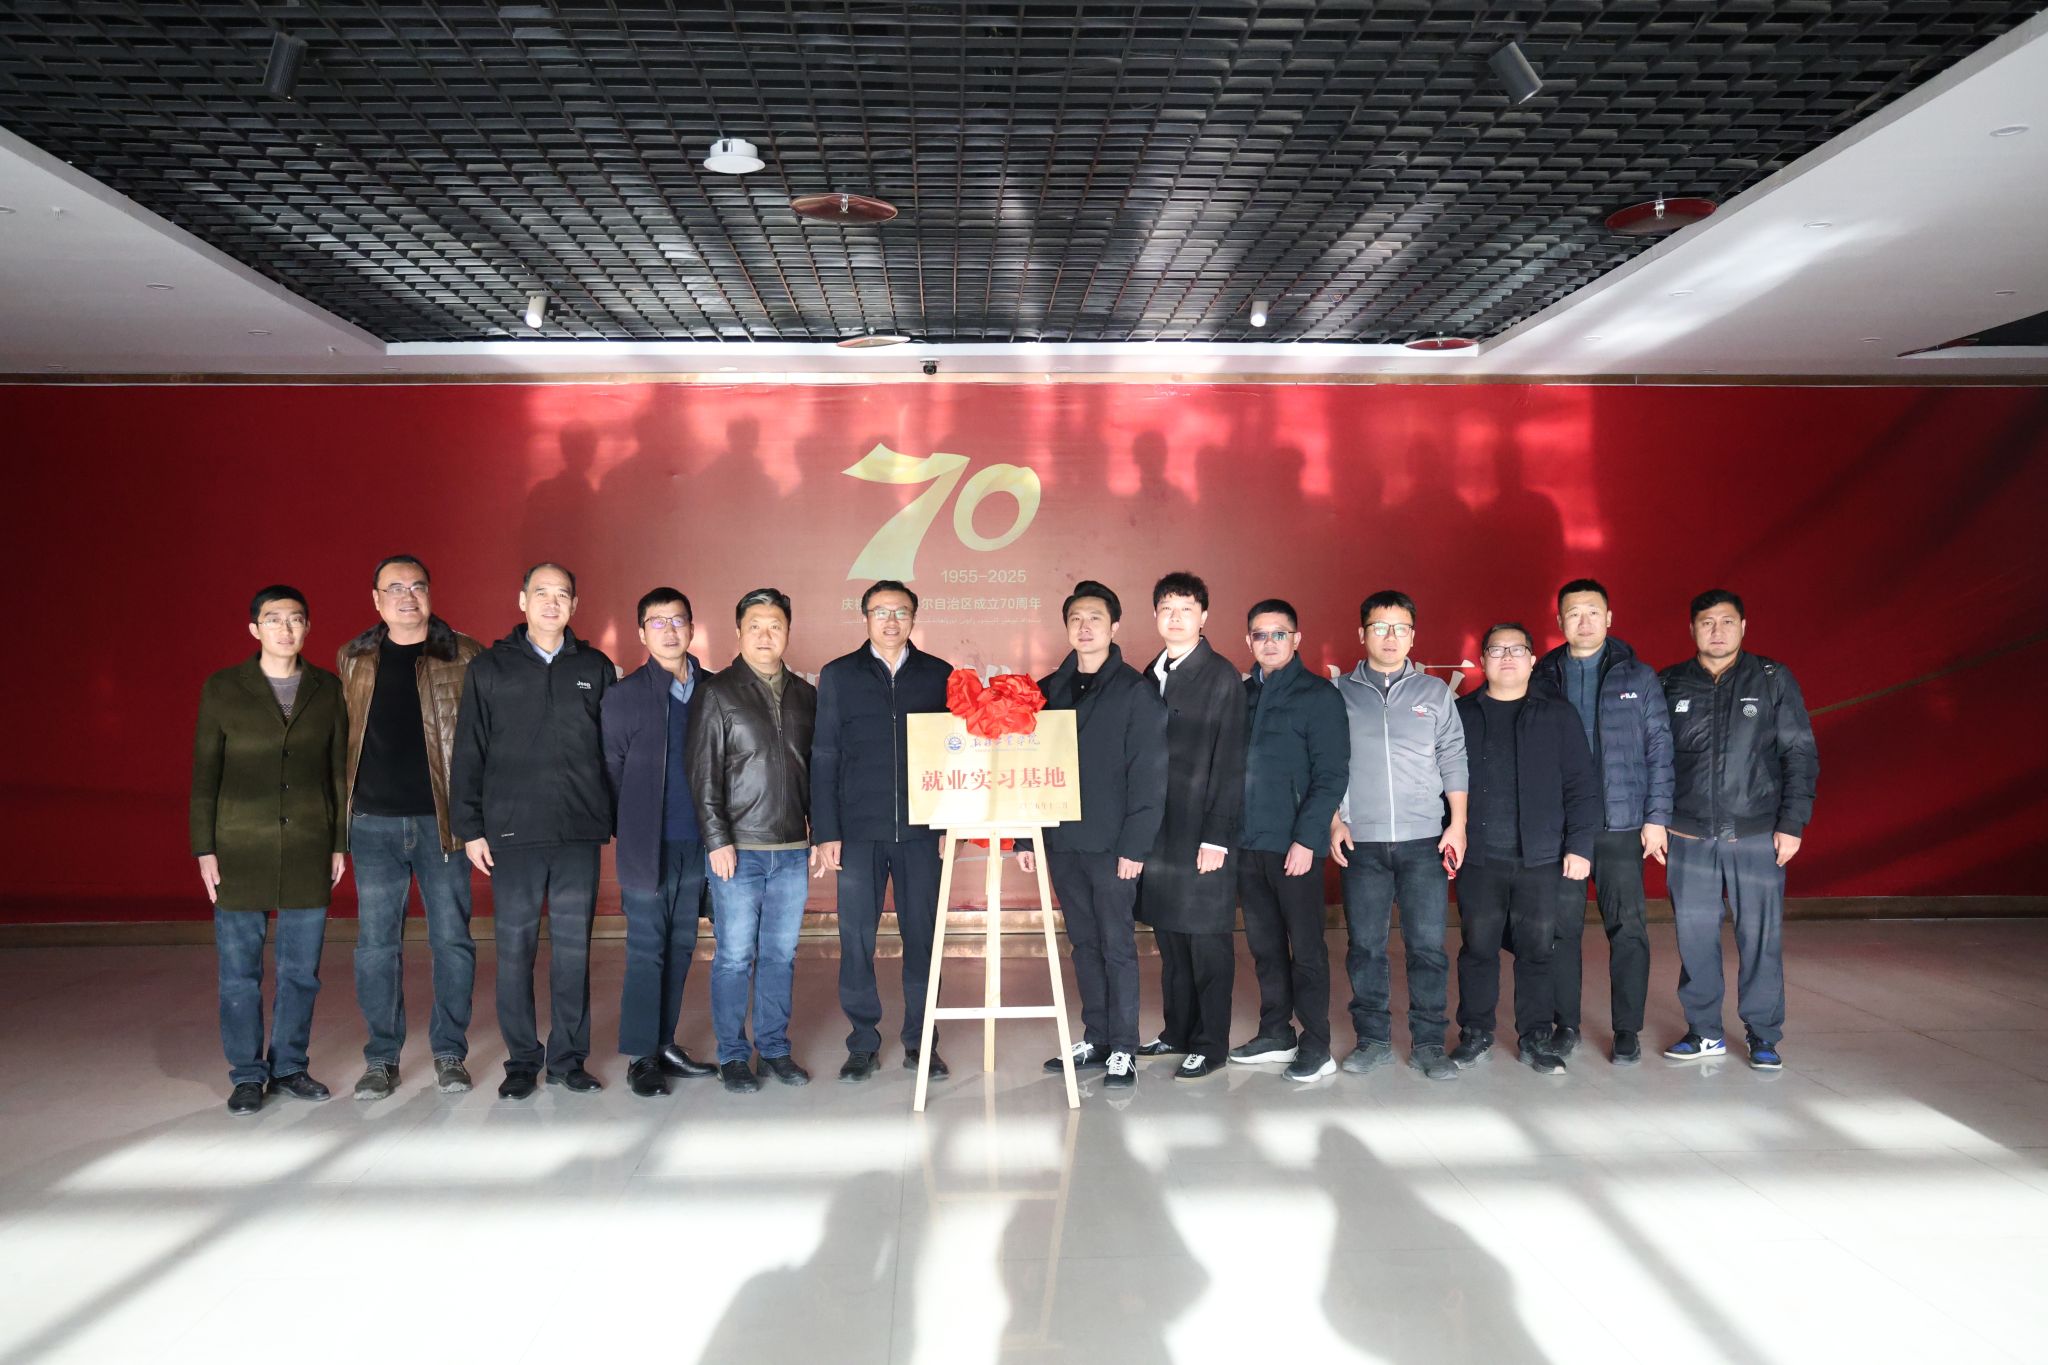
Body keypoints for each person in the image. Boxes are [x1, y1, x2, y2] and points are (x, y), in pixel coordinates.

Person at [450, 562, 615, 1100]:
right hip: (512, 835)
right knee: (515, 952)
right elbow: (468, 750)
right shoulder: (489, 668)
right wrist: (470, 828)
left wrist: (612, 817)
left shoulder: (595, 666)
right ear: (522, 601)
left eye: (562, 594)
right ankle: (521, 1060)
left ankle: (568, 1059)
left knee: (573, 952)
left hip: (577, 834)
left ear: (574, 605)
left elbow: (612, 752)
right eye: (541, 593)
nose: (551, 602)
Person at [190, 585, 348, 1115]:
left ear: (308, 628)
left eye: (296, 619)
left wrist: (338, 842)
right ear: (254, 629)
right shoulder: (223, 688)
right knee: (240, 973)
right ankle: (246, 1075)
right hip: (239, 847)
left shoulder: (327, 688)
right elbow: (205, 774)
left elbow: (336, 772)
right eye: (274, 619)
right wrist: (205, 848)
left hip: (307, 844)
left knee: (302, 971)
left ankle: (289, 1067)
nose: (286, 628)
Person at [335, 554, 483, 1101]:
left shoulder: (465, 654)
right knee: (376, 946)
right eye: (394, 588)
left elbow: (484, 741)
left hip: (442, 824)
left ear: (430, 593)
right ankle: (381, 1058)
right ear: (376, 599)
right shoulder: (353, 657)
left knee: (452, 941)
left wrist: (477, 819)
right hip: (372, 824)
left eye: (417, 586)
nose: (407, 596)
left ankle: (449, 1052)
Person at [1659, 589, 1819, 1071]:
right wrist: (1656, 820)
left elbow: (1799, 753)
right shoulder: (1669, 683)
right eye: (1707, 622)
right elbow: (1653, 759)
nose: (1717, 631)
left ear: (1743, 627)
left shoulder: (1771, 678)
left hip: (1755, 833)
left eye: (1727, 621)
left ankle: (1763, 1034)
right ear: (1692, 629)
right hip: (1688, 835)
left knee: (1760, 938)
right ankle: (1705, 1031)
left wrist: (1792, 823)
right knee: (1695, 938)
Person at [1018, 581, 1168, 1092]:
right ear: (1066, 627)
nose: (1085, 628)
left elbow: (1149, 774)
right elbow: (1028, 769)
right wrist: (1026, 838)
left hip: (1112, 844)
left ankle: (1124, 1045)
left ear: (1115, 626)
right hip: (1062, 840)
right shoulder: (1046, 690)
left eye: (1095, 619)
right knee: (1083, 942)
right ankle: (1097, 1037)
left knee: (1117, 943)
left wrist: (1135, 845)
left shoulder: (1134, 691)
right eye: (1076, 619)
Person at [809, 580, 956, 1084]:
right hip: (857, 833)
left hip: (923, 833)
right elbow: (824, 755)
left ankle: (922, 1041)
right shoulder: (838, 675)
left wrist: (949, 824)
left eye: (900, 612)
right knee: (856, 939)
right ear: (865, 617)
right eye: (881, 611)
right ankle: (862, 1042)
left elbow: (955, 754)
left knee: (923, 939)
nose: (891, 621)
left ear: (914, 618)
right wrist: (826, 831)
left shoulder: (939, 675)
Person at [1530, 578, 1673, 1065]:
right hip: (1563, 828)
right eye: (1574, 613)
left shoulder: (1639, 676)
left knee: (1627, 928)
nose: (1584, 621)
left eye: (1593, 611)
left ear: (1609, 617)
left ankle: (1627, 1030)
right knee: (1560, 931)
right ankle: (1565, 1025)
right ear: (1559, 621)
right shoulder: (1543, 676)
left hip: (1621, 825)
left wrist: (1656, 818)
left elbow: (1660, 749)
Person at [1451, 623, 1601, 1075]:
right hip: (1479, 856)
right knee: (1478, 948)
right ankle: (1475, 1034)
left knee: (1537, 950)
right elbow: (1440, 781)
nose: (1507, 658)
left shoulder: (1557, 715)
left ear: (1533, 660)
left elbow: (1582, 785)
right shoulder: (1461, 713)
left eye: (1517, 650)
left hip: (1540, 856)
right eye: (1497, 650)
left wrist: (1579, 845)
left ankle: (1535, 1038)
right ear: (1483, 660)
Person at [1329, 590, 1466, 1082]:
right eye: (1380, 627)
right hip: (1360, 842)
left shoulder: (1435, 693)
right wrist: (1334, 821)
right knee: (1365, 946)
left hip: (1424, 841)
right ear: (1361, 633)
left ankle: (1429, 1043)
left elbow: (1453, 757)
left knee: (1427, 946)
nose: (1390, 637)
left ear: (1413, 635)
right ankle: (1372, 1040)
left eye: (1400, 628)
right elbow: (1326, 763)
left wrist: (1457, 825)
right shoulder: (1338, 693)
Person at [688, 587, 819, 1093]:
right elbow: (703, 774)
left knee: (780, 955)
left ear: (788, 632)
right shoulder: (718, 693)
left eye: (775, 626)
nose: (766, 635)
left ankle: (775, 1049)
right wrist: (716, 839)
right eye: (756, 626)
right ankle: (733, 1054)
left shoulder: (806, 695)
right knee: (734, 956)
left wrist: (819, 835)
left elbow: (816, 773)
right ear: (738, 632)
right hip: (737, 851)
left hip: (791, 851)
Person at [602, 587, 718, 1098]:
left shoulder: (714, 691)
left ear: (692, 628)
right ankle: (641, 1056)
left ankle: (665, 1043)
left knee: (682, 945)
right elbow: (610, 772)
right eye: (658, 622)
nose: (669, 631)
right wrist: (629, 830)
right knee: (647, 949)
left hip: (701, 845)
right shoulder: (624, 696)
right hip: (647, 847)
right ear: (641, 633)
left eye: (678, 621)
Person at [1229, 598, 1350, 1082]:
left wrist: (1306, 840)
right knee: (1264, 947)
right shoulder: (1240, 695)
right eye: (1260, 635)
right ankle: (1276, 1032)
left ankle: (1317, 1045)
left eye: (1279, 633)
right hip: (1248, 844)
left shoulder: (1319, 696)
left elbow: (1331, 775)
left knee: (1307, 949)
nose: (1270, 643)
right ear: (1249, 641)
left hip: (1294, 848)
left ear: (1297, 639)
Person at [1132, 572, 1246, 1081]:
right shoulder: (1149, 673)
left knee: (1206, 941)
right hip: (1159, 831)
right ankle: (1177, 1031)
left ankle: (1211, 1042)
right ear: (1155, 616)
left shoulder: (1221, 676)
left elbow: (1231, 761)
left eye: (1186, 609)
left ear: (1204, 617)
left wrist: (1217, 835)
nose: (1175, 618)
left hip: (1203, 831)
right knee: (1171, 938)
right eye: (1167, 609)